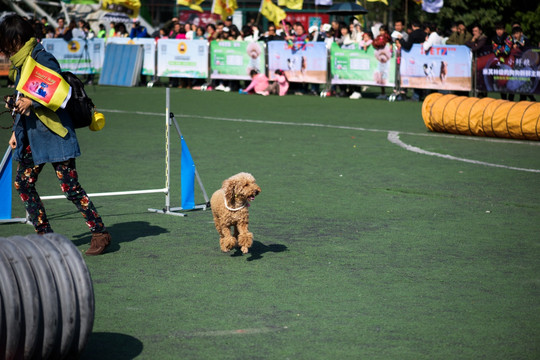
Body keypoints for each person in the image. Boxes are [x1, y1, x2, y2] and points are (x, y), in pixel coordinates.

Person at [0, 15, 111, 255]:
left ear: (17, 39)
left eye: (8, 43)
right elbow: (23, 98)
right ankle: (45, 237)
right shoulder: (22, 62)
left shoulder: (42, 57)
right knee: (23, 183)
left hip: (55, 133)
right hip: (31, 136)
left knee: (70, 188)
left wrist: (32, 103)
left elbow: (60, 91)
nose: (6, 50)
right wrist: (17, 130)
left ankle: (100, 233)